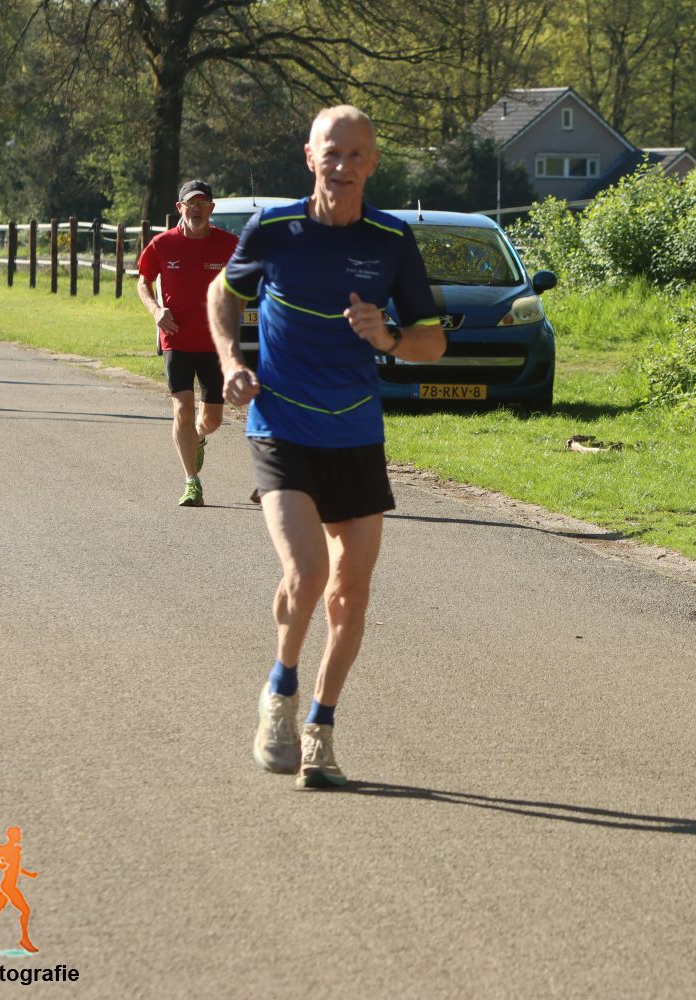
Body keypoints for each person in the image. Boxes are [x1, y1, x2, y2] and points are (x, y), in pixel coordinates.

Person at [209, 105, 446, 789]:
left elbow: (432, 342)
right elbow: (222, 294)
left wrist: (388, 337)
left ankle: (320, 729)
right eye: (331, 153)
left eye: (355, 155)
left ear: (373, 164)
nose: (342, 166)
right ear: (309, 157)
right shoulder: (273, 229)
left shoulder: (392, 240)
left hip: (355, 433)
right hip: (281, 426)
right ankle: (279, 692)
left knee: (351, 593)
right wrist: (230, 361)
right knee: (308, 572)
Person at [137, 180, 240, 506]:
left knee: (213, 420)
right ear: (179, 208)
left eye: (202, 203)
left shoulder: (230, 245)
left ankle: (198, 436)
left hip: (214, 342)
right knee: (181, 408)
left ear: (211, 208)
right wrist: (156, 311)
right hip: (176, 339)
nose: (196, 209)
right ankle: (191, 482)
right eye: (190, 204)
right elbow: (143, 282)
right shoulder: (162, 244)